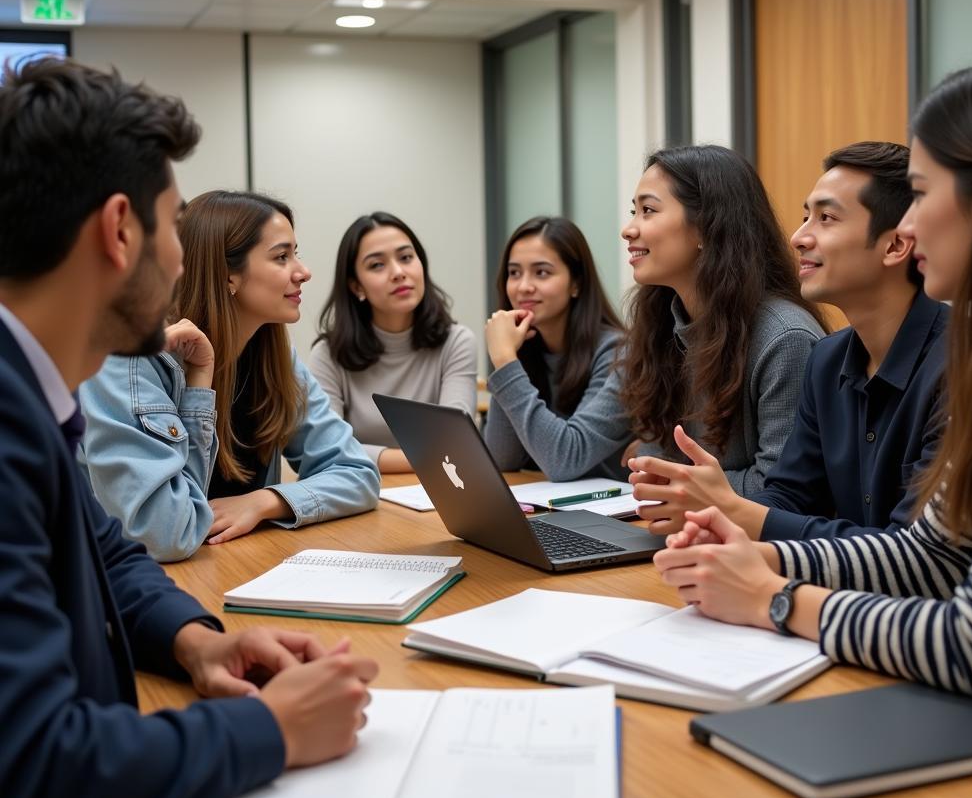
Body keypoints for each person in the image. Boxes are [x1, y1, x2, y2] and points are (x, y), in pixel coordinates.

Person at [0, 57, 378, 798]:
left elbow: (110, 552)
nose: (181, 259)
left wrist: (195, 641)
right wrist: (269, 731)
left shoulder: (31, 393)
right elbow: (35, 771)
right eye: (174, 226)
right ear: (119, 232)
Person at [655, 51, 972, 798]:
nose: (913, 226)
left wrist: (779, 598)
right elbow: (935, 557)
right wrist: (756, 555)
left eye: (924, 196)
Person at [628, 142, 949, 543]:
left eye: (826, 218)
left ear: (896, 245)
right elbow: (792, 495)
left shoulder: (962, 366)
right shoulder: (828, 360)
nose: (798, 237)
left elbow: (914, 553)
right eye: (804, 217)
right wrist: (720, 521)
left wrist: (726, 509)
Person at [80, 190, 380, 561]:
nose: (303, 272)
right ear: (227, 276)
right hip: (141, 589)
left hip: (237, 566)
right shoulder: (130, 358)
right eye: (282, 257)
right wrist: (199, 385)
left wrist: (265, 501)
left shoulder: (273, 355)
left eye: (295, 254)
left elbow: (358, 474)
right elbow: (165, 533)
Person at [619, 145, 825, 494]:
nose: (628, 229)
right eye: (633, 212)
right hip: (690, 531)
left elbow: (783, 492)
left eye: (648, 211)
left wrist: (675, 482)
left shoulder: (785, 338)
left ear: (705, 227)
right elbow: (659, 464)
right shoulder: (663, 324)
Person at [309, 212, 477, 474]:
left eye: (406, 258)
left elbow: (456, 442)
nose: (398, 273)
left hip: (439, 496)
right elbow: (327, 447)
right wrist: (427, 458)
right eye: (377, 265)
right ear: (356, 287)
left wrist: (359, 454)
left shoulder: (456, 342)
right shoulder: (328, 354)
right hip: (359, 492)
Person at [483, 215, 632, 481]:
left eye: (542, 272)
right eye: (514, 272)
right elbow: (501, 457)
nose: (523, 287)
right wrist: (508, 357)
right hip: (561, 508)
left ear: (576, 284)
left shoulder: (619, 352)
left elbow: (565, 458)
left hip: (623, 514)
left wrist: (505, 360)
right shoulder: (526, 348)